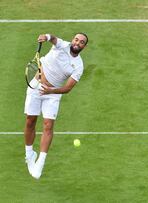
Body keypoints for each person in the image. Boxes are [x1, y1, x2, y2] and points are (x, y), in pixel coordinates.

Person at [24, 33, 88, 179]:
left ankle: (40, 162)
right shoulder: (62, 45)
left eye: (82, 42)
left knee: (48, 125)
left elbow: (68, 88)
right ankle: (29, 154)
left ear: (84, 46)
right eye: (76, 39)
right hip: (36, 86)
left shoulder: (78, 66)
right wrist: (46, 37)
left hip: (53, 94)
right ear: (73, 40)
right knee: (30, 121)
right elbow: (53, 38)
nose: (78, 43)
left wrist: (51, 91)